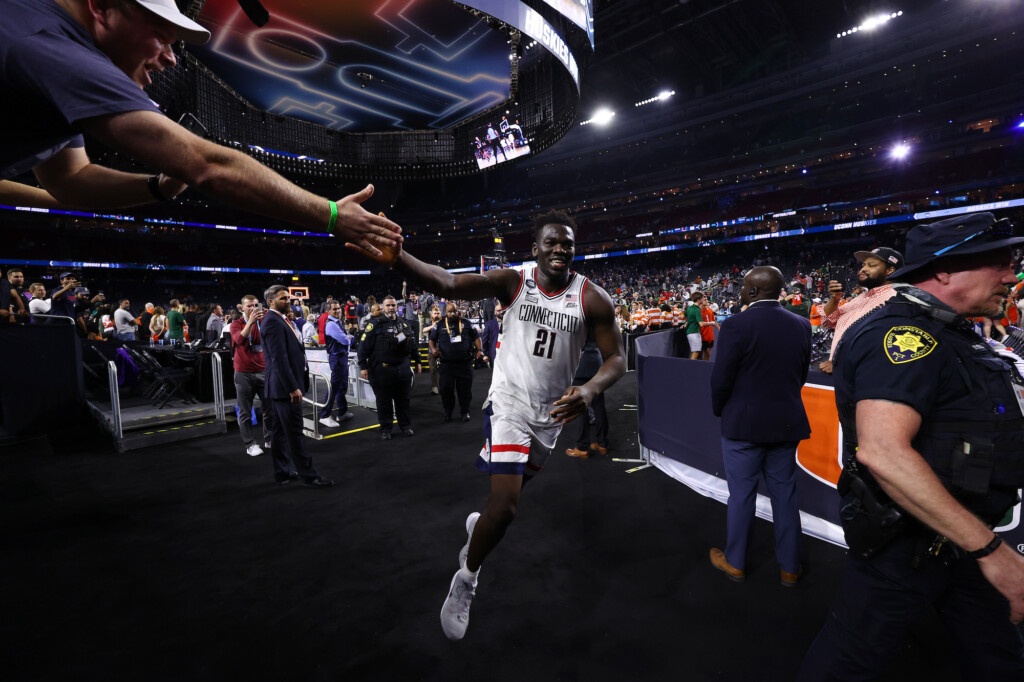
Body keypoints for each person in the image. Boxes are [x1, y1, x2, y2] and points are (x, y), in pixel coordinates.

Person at [354, 209, 626, 641]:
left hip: (551, 412)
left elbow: (617, 358)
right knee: (507, 507)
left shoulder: (593, 298)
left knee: (505, 502)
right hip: (509, 401)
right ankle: (466, 578)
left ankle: (480, 526)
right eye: (551, 242)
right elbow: (447, 282)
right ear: (534, 249)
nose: (560, 249)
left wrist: (590, 390)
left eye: (568, 244)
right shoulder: (514, 282)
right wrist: (400, 258)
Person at [799, 213, 1024, 680]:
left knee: (1000, 656)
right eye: (998, 262)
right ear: (944, 269)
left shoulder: (950, 329)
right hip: (911, 544)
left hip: (956, 534)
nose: (1011, 275)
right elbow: (883, 453)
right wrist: (991, 552)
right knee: (847, 662)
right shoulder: (901, 335)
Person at [1, 0, 401, 259]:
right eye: (162, 37)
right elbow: (207, 165)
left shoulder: (45, 47)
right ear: (102, 6)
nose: (172, 59)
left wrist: (157, 187)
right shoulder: (54, 49)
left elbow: (71, 179)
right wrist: (331, 214)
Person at [708, 266, 811, 587]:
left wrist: (720, 410)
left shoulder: (736, 324)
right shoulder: (802, 324)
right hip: (786, 421)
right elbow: (801, 373)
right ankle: (790, 568)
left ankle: (736, 562)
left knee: (741, 495)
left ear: (752, 292)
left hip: (743, 425)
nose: (739, 291)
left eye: (742, 287)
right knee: (785, 496)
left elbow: (721, 378)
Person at [261, 284, 333, 488]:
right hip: (285, 388)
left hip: (280, 387)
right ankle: (309, 476)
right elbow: (279, 359)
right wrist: (293, 387)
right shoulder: (273, 322)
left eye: (288, 298)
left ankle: (282, 472)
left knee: (279, 433)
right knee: (294, 433)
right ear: (271, 302)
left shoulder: (278, 320)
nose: (288, 302)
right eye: (283, 299)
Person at [818, 247, 903, 374]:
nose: (863, 269)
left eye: (871, 265)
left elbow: (883, 345)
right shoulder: (860, 298)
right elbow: (828, 322)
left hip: (865, 376)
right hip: (841, 377)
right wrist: (834, 299)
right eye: (863, 265)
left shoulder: (897, 298)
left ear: (890, 270)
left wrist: (841, 363)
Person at [357, 295, 422, 439]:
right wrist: (363, 366)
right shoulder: (374, 325)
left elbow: (412, 344)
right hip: (382, 370)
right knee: (384, 401)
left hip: (402, 369)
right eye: (388, 305)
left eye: (393, 305)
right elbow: (363, 347)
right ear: (383, 307)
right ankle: (386, 429)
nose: (391, 308)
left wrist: (417, 361)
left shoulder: (403, 324)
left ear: (397, 307)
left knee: (403, 400)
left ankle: (405, 426)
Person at [230, 295, 272, 457]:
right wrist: (251, 322)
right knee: (245, 411)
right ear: (242, 308)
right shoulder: (236, 324)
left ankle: (269, 438)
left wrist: (271, 317)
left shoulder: (264, 321)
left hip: (263, 371)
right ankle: (250, 444)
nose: (253, 308)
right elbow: (240, 340)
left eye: (255, 305)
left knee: (270, 408)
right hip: (243, 373)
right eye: (249, 306)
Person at [429, 305, 483, 422]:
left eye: (454, 311)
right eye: (449, 312)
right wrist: (434, 350)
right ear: (445, 312)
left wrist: (479, 350)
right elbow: (431, 339)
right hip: (446, 364)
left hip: (464, 363)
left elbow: (476, 337)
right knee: (446, 390)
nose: (452, 314)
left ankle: (465, 412)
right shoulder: (440, 325)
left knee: (465, 390)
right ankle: (448, 412)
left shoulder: (466, 323)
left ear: (457, 311)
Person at [564, 335, 609, 459]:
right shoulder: (598, 316)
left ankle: (581, 447)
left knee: (580, 407)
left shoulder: (577, 317)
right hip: (596, 362)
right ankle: (602, 444)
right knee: (599, 404)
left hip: (580, 364)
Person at [318, 301, 355, 429]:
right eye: (335, 309)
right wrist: (348, 338)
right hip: (337, 357)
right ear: (328, 311)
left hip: (341, 357)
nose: (338, 311)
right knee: (334, 387)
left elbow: (348, 337)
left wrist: (348, 337)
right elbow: (345, 339)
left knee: (342, 386)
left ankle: (342, 412)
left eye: (339, 308)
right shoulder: (332, 325)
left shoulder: (337, 322)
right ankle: (324, 416)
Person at [421, 305, 443, 395]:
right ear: (432, 315)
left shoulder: (443, 323)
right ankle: (435, 387)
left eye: (438, 313)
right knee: (433, 370)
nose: (436, 315)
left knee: (443, 370)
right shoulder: (429, 323)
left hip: (442, 350)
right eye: (435, 313)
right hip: (431, 351)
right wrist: (433, 326)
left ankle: (443, 387)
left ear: (440, 314)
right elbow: (424, 330)